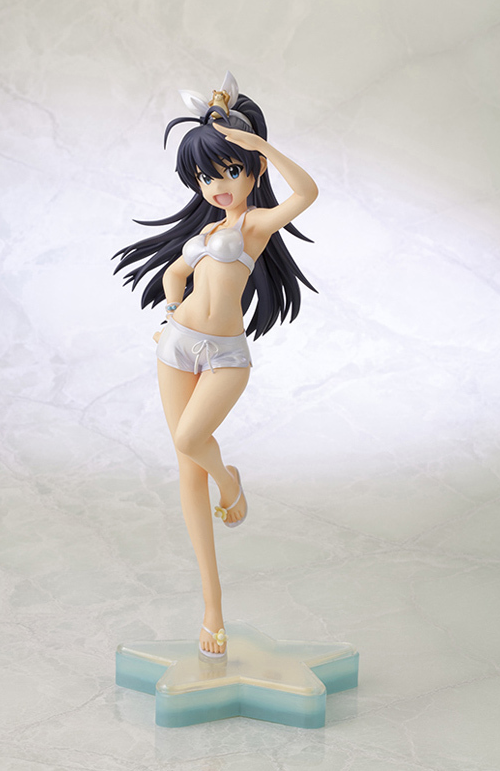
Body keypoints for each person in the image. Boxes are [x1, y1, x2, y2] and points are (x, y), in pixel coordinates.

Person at [113, 72, 318, 659]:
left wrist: (261, 146)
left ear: (253, 171)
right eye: (206, 177)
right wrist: (170, 314)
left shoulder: (254, 225)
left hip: (226, 356)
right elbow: (175, 274)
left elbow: (306, 193)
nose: (217, 186)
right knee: (187, 469)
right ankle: (212, 608)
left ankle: (230, 481)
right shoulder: (207, 229)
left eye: (228, 171)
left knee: (189, 440)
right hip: (176, 346)